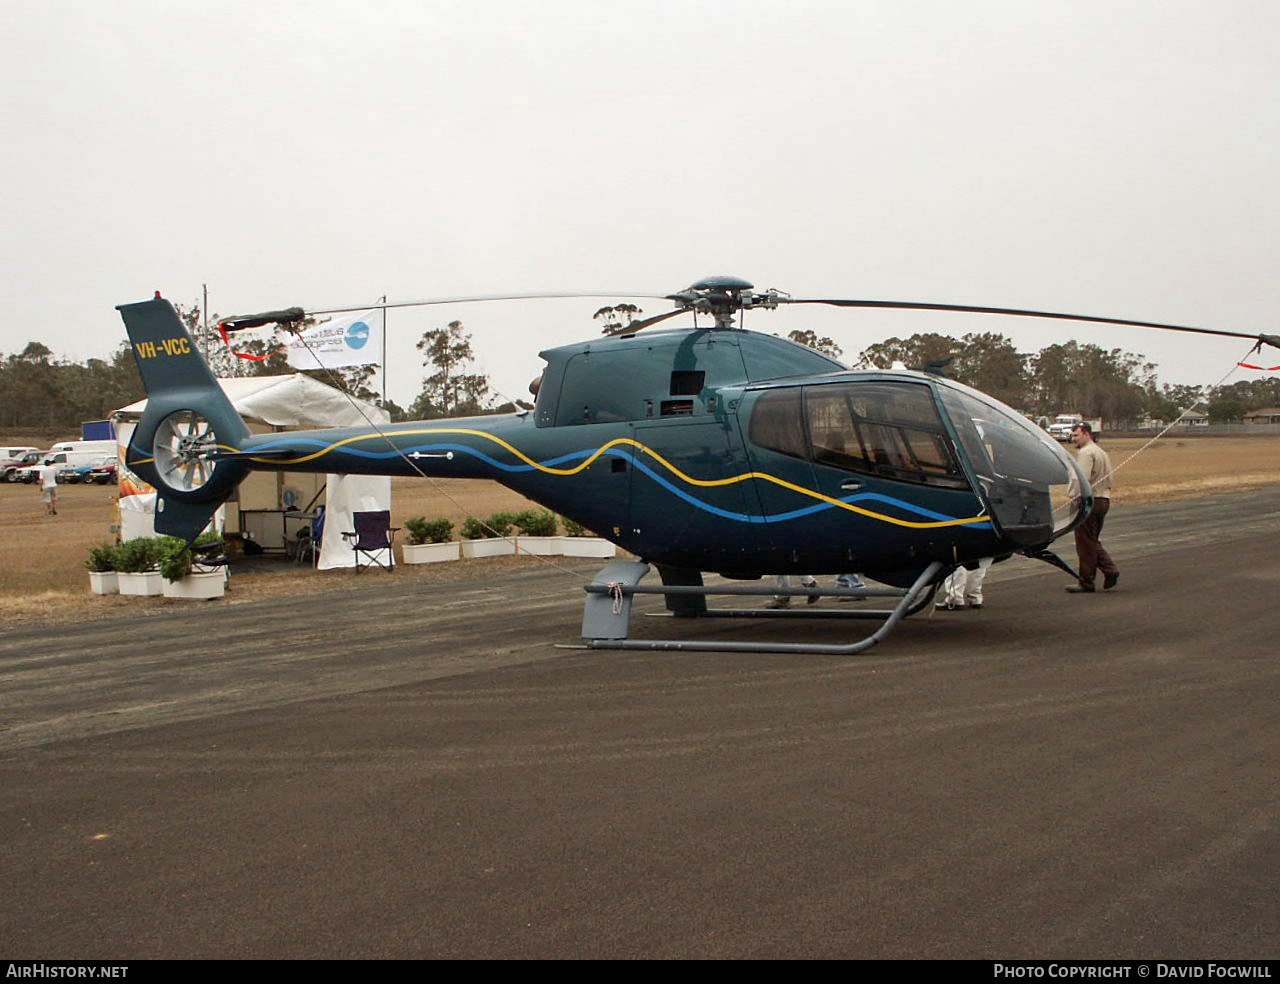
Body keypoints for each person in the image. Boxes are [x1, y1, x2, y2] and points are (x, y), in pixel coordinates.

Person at [1066, 422, 1119, 593]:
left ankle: (1093, 578)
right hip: (1104, 499)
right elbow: (1110, 479)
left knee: (1085, 543)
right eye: (1072, 435)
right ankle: (1099, 574)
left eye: (1076, 435)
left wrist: (1074, 497)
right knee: (1092, 540)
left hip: (1090, 500)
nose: (1073, 439)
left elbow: (1081, 479)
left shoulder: (1086, 453)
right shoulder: (1101, 452)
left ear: (1087, 434)